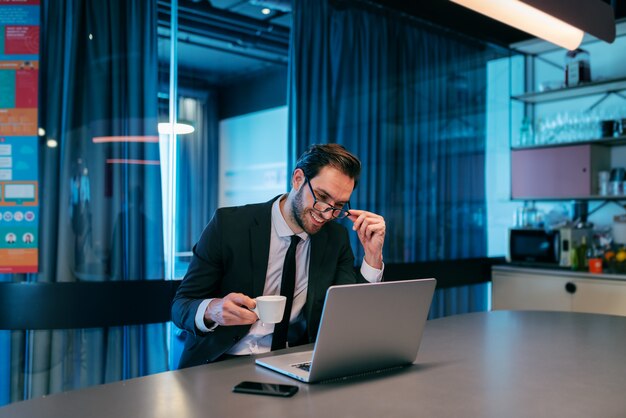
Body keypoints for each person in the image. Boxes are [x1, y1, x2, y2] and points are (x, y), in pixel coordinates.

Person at [171, 144, 386, 368]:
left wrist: (372, 255)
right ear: (298, 179)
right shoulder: (229, 225)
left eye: (338, 206)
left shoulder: (335, 237)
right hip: (220, 361)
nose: (326, 213)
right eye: (322, 197)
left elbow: (349, 317)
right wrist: (212, 310)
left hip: (294, 361)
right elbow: (181, 305)